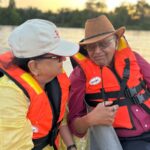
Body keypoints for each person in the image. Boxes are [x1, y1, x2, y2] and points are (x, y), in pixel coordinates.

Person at [68, 15, 150, 150]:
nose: (97, 52)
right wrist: (90, 119)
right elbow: (75, 126)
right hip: (126, 141)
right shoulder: (80, 75)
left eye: (104, 44)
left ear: (116, 41)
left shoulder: (134, 58)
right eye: (91, 47)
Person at [0, 19, 79, 150]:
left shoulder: (51, 77)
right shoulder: (9, 96)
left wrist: (71, 146)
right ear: (34, 66)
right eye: (57, 57)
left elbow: (60, 120)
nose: (64, 59)